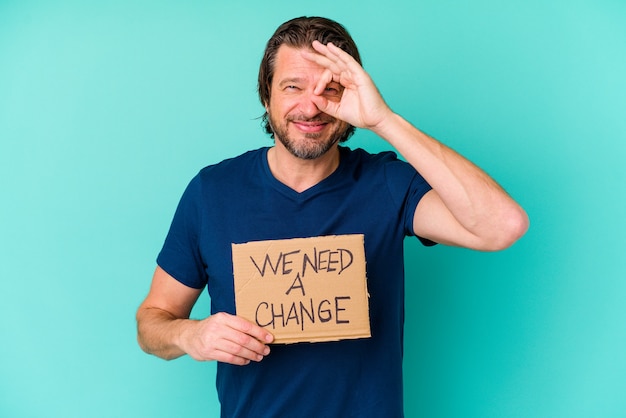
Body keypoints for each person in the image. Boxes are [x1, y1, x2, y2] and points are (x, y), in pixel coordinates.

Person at [136, 16, 529, 417]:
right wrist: (191, 335)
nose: (310, 107)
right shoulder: (211, 193)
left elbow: (502, 226)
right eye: (293, 87)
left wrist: (384, 120)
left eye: (331, 89)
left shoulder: (387, 184)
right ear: (266, 95)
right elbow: (152, 323)